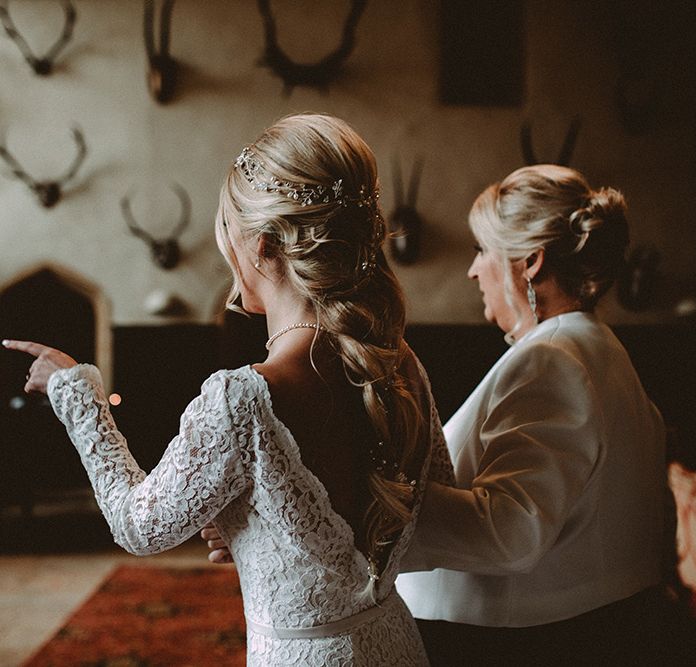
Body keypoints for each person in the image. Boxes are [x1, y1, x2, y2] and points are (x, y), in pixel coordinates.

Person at [2, 113, 455, 666]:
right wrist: (256, 531)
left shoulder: (244, 399)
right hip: (396, 644)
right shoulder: (399, 361)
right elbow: (430, 501)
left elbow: (138, 527)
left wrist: (76, 395)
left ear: (262, 246)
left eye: (226, 231)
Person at [395, 164, 668, 665]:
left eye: (483, 250)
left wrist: (373, 509)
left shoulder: (552, 360)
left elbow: (510, 530)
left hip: (520, 643)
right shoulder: (597, 346)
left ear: (531, 263)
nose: (474, 270)